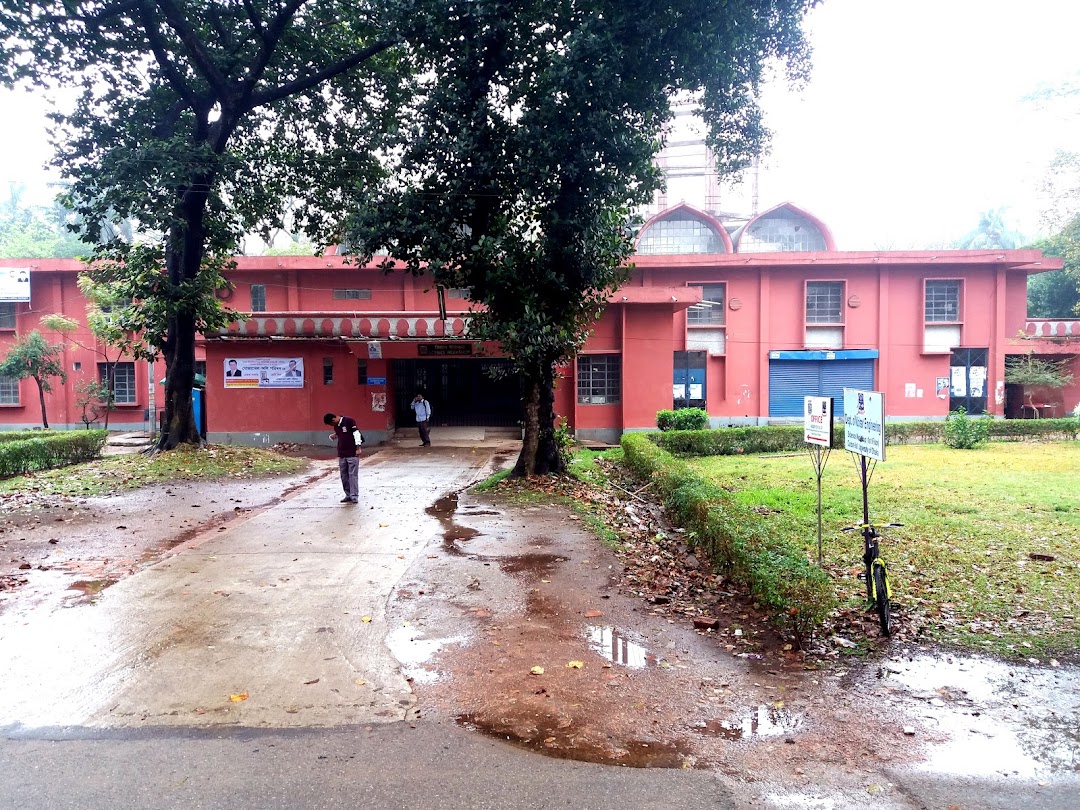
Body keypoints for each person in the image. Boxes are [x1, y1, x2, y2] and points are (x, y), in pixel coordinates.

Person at [324, 412, 362, 503]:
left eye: (331, 424)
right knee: (344, 476)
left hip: (352, 453)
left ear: (334, 420)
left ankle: (354, 496)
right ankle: (348, 495)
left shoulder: (349, 421)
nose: (332, 425)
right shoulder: (336, 426)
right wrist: (335, 435)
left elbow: (356, 434)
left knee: (352, 475)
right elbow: (342, 433)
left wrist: (358, 447)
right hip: (342, 454)